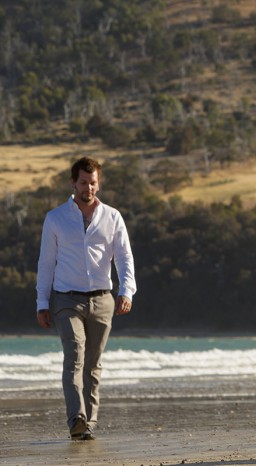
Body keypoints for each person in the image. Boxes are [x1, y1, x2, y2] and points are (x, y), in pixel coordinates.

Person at [36, 157, 136, 441]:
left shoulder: (113, 217)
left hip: (103, 299)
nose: (88, 188)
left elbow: (124, 258)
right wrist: (41, 303)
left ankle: (88, 424)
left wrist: (126, 291)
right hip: (67, 299)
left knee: (93, 364)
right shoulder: (55, 218)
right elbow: (46, 263)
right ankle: (76, 418)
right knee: (74, 356)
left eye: (93, 183)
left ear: (98, 183)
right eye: (83, 182)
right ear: (73, 183)